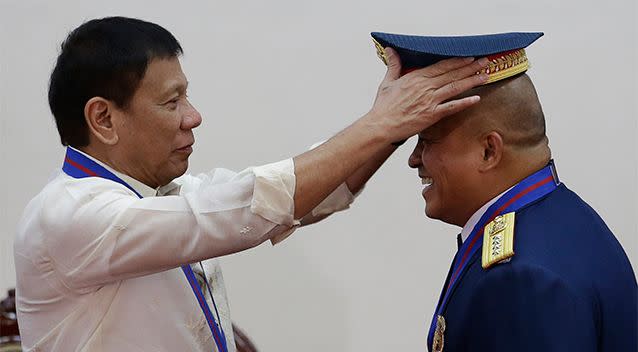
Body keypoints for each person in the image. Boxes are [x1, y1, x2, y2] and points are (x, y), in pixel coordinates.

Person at [12, 17, 489, 351]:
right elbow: (247, 209)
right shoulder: (69, 215)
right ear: (103, 119)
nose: (193, 117)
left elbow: (296, 200)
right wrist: (379, 126)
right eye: (171, 102)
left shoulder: (163, 195)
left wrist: (388, 127)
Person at [372, 31, 637, 351]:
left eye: (427, 141)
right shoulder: (562, 215)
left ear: (488, 151)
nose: (414, 160)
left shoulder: (519, 280)